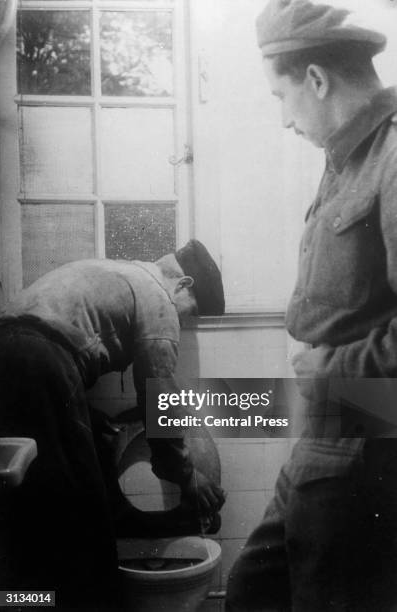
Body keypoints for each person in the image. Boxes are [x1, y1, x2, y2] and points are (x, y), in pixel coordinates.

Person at [226, 1, 397, 610]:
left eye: (281, 96)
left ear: (318, 80)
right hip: (327, 435)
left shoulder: (393, 157)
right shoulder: (348, 157)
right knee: (252, 589)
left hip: (364, 442)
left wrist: (334, 368)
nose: (282, 120)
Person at [0, 239, 225, 608]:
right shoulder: (159, 297)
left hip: (8, 356)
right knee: (85, 520)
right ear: (184, 285)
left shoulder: (119, 272)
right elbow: (159, 398)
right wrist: (187, 477)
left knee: (31, 504)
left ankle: (24, 601)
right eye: (190, 312)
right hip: (40, 361)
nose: (183, 320)